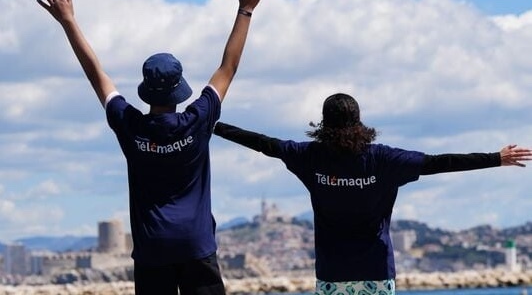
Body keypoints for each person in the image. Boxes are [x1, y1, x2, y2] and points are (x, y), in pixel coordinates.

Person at [37, 0, 270, 295]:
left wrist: (68, 22)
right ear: (179, 89)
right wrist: (246, 9)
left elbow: (96, 74)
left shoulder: (130, 124)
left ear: (146, 88)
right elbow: (228, 67)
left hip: (152, 249)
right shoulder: (198, 119)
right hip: (196, 245)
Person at [213, 93, 532, 295]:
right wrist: (495, 158)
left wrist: (212, 124)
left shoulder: (309, 156)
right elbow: (440, 163)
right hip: (376, 273)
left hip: (331, 274)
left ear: (324, 124)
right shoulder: (385, 160)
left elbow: (263, 143)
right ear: (359, 122)